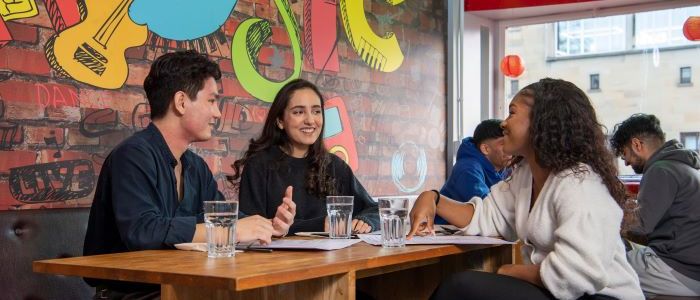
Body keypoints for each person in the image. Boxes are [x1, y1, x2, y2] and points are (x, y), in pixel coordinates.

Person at [83, 50, 296, 298]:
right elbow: (144, 232)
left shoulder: (195, 166)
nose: (217, 113)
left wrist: (269, 226)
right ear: (181, 102)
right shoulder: (131, 156)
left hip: (187, 288)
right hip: (133, 295)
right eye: (211, 101)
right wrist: (232, 230)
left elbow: (221, 215)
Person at [408, 78, 644, 299]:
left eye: (512, 113)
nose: (503, 123)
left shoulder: (579, 183)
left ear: (542, 121)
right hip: (560, 293)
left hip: (600, 296)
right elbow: (487, 216)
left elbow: (580, 273)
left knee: (461, 287)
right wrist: (433, 198)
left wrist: (513, 271)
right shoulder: (525, 176)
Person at [232, 78, 379, 235]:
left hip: (333, 259)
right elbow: (249, 228)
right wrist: (319, 225)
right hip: (279, 259)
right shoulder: (258, 165)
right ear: (280, 121)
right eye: (298, 112)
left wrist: (366, 221)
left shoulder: (334, 165)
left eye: (316, 111)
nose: (310, 120)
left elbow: (375, 210)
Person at [610, 113, 700, 297]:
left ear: (637, 145)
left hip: (679, 269)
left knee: (603, 269)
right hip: (689, 266)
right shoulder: (681, 166)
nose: (626, 162)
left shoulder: (660, 170)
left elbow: (641, 228)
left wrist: (610, 219)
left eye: (625, 154)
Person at [436, 119, 511, 224]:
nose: (510, 147)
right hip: (443, 235)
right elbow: (489, 211)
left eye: (511, 141)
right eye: (503, 143)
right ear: (485, 149)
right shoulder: (467, 169)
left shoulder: (507, 169)